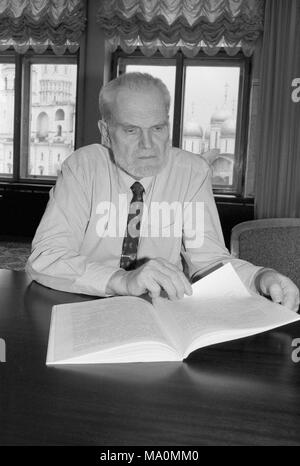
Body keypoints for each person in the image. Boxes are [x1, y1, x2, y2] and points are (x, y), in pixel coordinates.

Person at [26, 72, 299, 311]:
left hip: (159, 310)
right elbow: (46, 257)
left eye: (157, 128)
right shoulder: (83, 167)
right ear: (106, 133)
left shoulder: (191, 172)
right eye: (131, 130)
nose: (148, 144)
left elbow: (209, 261)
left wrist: (259, 277)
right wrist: (123, 280)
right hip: (84, 302)